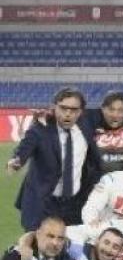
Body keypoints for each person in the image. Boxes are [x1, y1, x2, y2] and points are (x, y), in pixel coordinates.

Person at [8, 87, 102, 231]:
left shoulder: (86, 125)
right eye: (63, 108)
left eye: (73, 109)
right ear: (54, 107)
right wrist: (16, 160)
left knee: (72, 248)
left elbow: (113, 108)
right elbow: (24, 148)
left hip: (76, 204)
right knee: (38, 248)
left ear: (81, 112)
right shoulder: (40, 128)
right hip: (44, 203)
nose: (68, 113)